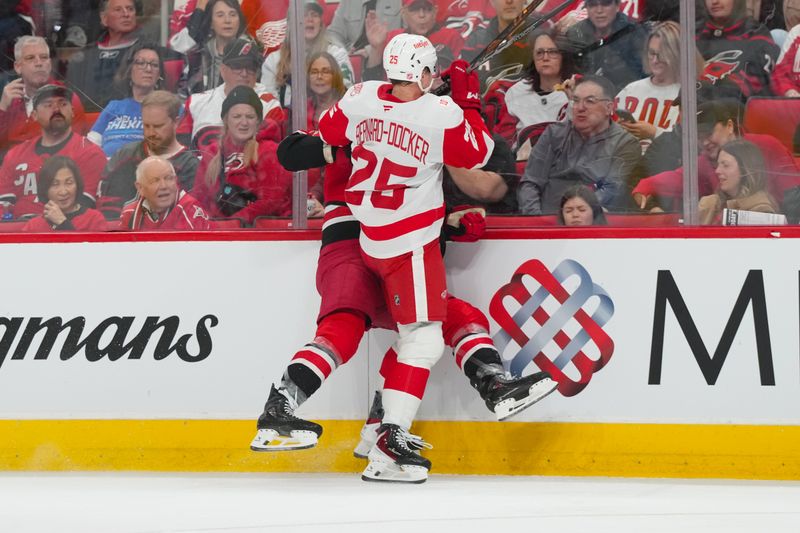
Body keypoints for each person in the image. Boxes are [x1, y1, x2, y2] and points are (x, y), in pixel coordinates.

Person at [254, 34, 495, 483]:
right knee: (413, 333)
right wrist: (464, 101)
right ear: (421, 73)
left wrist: (415, 102)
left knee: (414, 330)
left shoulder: (359, 100)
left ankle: (373, 432)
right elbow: (473, 152)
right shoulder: (433, 114)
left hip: (372, 235)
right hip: (386, 238)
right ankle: (382, 434)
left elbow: (334, 135)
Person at [252, 130, 554, 475]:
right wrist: (341, 144)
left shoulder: (423, 129)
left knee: (447, 321)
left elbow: (408, 203)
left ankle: (396, 427)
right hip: (351, 241)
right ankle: (280, 406)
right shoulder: (361, 120)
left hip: (398, 250)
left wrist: (446, 226)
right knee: (345, 327)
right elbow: (291, 152)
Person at [632, 98, 800, 210]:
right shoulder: (704, 162)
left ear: (729, 126)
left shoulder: (767, 146)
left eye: (708, 133)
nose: (705, 142)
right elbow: (676, 178)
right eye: (699, 137)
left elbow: (795, 194)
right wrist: (646, 186)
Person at [517, 74, 641, 215]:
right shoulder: (554, 134)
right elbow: (530, 183)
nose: (580, 108)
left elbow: (611, 190)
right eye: (576, 101)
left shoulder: (625, 143)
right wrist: (536, 221)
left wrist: (572, 217)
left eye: (590, 101)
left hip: (591, 224)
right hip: (545, 222)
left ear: (609, 108)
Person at [0, 85, 107, 220]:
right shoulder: (15, 154)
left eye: (63, 104)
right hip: (17, 232)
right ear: (34, 115)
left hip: (62, 232)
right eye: (48, 105)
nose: (56, 109)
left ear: (73, 111)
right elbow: (3, 207)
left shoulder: (90, 153)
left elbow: (82, 212)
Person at [191, 86, 292, 223]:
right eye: (237, 116)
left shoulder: (269, 151)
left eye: (250, 117)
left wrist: (232, 224)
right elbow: (199, 198)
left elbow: (271, 201)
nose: (244, 123)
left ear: (258, 121)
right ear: (226, 120)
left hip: (259, 234)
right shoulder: (212, 153)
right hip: (218, 233)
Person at [98, 91, 200, 220]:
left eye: (158, 126)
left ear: (176, 123)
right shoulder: (125, 155)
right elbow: (107, 206)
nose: (151, 133)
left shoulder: (190, 166)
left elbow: (188, 215)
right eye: (146, 126)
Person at [177, 38, 285, 152]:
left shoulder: (270, 106)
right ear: (223, 70)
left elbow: (270, 154)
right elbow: (181, 150)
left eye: (250, 67)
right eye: (237, 66)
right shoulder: (196, 103)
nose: (244, 73)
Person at [0, 36, 87, 159]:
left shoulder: (66, 98)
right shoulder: (9, 98)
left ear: (50, 64)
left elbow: (74, 151)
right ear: (18, 67)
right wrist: (2, 108)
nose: (39, 63)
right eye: (30, 58)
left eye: (44, 57)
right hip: (10, 171)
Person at [491, 28, 576, 154]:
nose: (545, 58)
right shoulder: (515, 92)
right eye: (539, 53)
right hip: (524, 164)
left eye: (552, 52)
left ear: (563, 56)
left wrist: (574, 100)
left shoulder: (579, 88)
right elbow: (506, 141)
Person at [262, 1, 354, 108]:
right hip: (286, 122)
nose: (310, 19)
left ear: (320, 24)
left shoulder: (337, 54)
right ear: (291, 24)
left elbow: (347, 95)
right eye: (303, 15)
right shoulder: (273, 60)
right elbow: (268, 104)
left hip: (327, 119)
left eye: (314, 15)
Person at [88, 42, 165, 157]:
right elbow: (90, 144)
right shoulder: (114, 106)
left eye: (154, 65)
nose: (148, 69)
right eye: (141, 63)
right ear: (129, 70)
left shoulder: (169, 108)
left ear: (159, 74)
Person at [615, 21, 681, 154]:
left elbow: (690, 140)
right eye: (652, 53)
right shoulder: (631, 89)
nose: (655, 60)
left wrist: (654, 132)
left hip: (665, 164)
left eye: (661, 54)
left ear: (676, 53)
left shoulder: (690, 93)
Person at [360, 0, 465, 82]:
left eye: (427, 9)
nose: (422, 15)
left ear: (435, 11)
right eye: (414, 9)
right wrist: (376, 48)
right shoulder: (393, 37)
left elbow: (457, 80)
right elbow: (371, 80)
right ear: (403, 13)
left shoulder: (450, 36)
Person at [66, 0, 143, 112]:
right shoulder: (85, 56)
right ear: (104, 18)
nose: (126, 14)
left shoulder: (147, 50)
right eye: (118, 10)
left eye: (130, 9)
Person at [169, 0, 256, 97]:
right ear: (211, 23)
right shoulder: (198, 55)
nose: (227, 20)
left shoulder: (251, 53)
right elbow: (179, 48)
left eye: (232, 15)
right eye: (220, 15)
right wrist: (200, 9)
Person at [696, 0, 779, 98]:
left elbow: (757, 83)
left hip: (738, 107)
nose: (714, 2)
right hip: (693, 105)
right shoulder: (694, 36)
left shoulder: (755, 34)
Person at [563, 0, 647, 91]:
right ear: (586, 8)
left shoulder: (635, 33)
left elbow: (642, 77)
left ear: (617, 6)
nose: (599, 10)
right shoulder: (575, 34)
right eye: (593, 5)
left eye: (606, 3)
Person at [698, 139, 780, 224]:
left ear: (746, 169)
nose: (717, 171)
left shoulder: (762, 211)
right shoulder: (709, 203)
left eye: (725, 165)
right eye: (717, 165)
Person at [119, 156, 211, 230]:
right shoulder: (129, 213)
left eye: (168, 178)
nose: (163, 186)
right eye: (155, 181)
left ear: (176, 180)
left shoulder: (190, 210)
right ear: (140, 187)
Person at [22, 156, 107, 232]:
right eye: (55, 184)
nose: (63, 192)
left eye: (69, 183)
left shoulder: (94, 219)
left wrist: (62, 223)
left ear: (77, 184)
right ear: (45, 189)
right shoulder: (33, 226)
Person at [461, 0, 532, 91]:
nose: (509, 1)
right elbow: (466, 87)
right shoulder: (476, 42)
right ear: (492, 2)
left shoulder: (541, 40)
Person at [327, 0, 403, 53]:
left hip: (387, 56)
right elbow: (334, 33)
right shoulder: (348, 2)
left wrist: (370, 50)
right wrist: (343, 52)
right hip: (351, 56)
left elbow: (409, 32)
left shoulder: (400, 2)